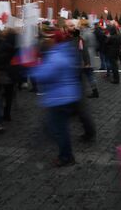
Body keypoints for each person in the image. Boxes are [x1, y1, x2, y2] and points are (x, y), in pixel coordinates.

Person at [32, 32, 82, 166]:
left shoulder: (56, 56)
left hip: (59, 98)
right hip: (67, 96)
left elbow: (43, 75)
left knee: (60, 130)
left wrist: (32, 69)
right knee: (59, 127)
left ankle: (66, 156)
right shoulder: (67, 51)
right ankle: (64, 153)